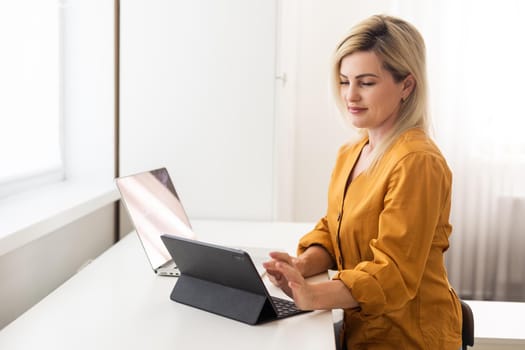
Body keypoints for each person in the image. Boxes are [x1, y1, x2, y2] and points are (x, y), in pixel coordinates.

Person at [263, 14, 462, 349]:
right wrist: (302, 264)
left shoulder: (417, 162)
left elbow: (393, 273)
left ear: (406, 85)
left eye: (366, 83)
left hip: (408, 337)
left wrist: (312, 294)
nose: (350, 95)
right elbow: (334, 228)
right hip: (362, 330)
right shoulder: (352, 151)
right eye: (344, 81)